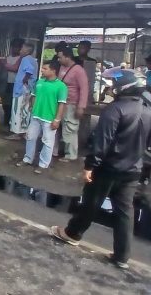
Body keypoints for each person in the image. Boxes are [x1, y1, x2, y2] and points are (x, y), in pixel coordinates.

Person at [51, 69, 151, 270]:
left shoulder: (115, 109)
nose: (111, 88)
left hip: (108, 167)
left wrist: (90, 166)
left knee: (91, 202)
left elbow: (101, 142)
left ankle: (72, 233)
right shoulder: (148, 109)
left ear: (122, 87)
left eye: (113, 85)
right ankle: (122, 256)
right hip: (133, 170)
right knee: (125, 212)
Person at [16, 60, 67, 173]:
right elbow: (33, 96)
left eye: (45, 69)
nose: (42, 70)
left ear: (53, 71)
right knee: (30, 137)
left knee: (47, 142)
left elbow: (61, 104)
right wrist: (32, 107)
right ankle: (27, 159)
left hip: (49, 119)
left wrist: (57, 120)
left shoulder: (61, 86)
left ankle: (43, 164)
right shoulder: (39, 82)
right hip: (36, 116)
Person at [57, 47, 89, 162]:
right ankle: (59, 150)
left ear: (68, 57)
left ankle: (70, 155)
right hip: (61, 102)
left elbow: (84, 89)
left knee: (70, 128)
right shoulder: (61, 67)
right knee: (59, 127)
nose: (58, 59)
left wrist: (81, 106)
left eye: (60, 57)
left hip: (72, 104)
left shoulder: (79, 70)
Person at [7, 43, 38, 140]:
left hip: (21, 89)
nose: (20, 51)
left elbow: (29, 70)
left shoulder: (25, 59)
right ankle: (24, 131)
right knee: (25, 111)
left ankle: (17, 133)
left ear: (27, 51)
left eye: (22, 49)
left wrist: (24, 81)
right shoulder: (34, 60)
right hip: (29, 89)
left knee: (17, 110)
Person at [2, 38, 26, 126]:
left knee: (13, 104)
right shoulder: (7, 57)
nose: (15, 49)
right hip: (6, 83)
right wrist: (7, 65)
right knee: (5, 103)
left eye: (17, 47)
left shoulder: (21, 58)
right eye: (14, 47)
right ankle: (6, 121)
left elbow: (15, 68)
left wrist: (5, 65)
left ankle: (12, 123)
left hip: (15, 84)